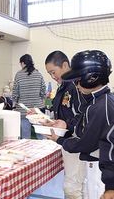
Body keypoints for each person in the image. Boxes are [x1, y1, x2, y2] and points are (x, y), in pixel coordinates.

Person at [45, 50, 113, 199]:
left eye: (78, 80)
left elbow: (85, 143)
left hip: (102, 169)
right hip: (95, 163)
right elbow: (82, 125)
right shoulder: (95, 102)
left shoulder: (101, 106)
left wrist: (60, 139)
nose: (76, 85)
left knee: (80, 187)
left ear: (91, 78)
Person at [36, 51, 87, 198]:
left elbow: (83, 114)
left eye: (53, 72)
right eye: (50, 73)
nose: (52, 76)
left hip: (77, 141)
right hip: (67, 141)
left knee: (72, 186)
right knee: (74, 183)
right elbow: (62, 112)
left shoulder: (76, 86)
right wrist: (50, 119)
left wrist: (67, 125)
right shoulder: (63, 87)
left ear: (65, 65)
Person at [12, 54, 46, 139]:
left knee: (25, 137)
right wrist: (41, 107)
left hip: (23, 111)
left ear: (23, 63)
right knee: (41, 135)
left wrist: (13, 106)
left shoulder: (19, 75)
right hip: (37, 110)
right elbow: (43, 92)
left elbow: (15, 93)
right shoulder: (38, 74)